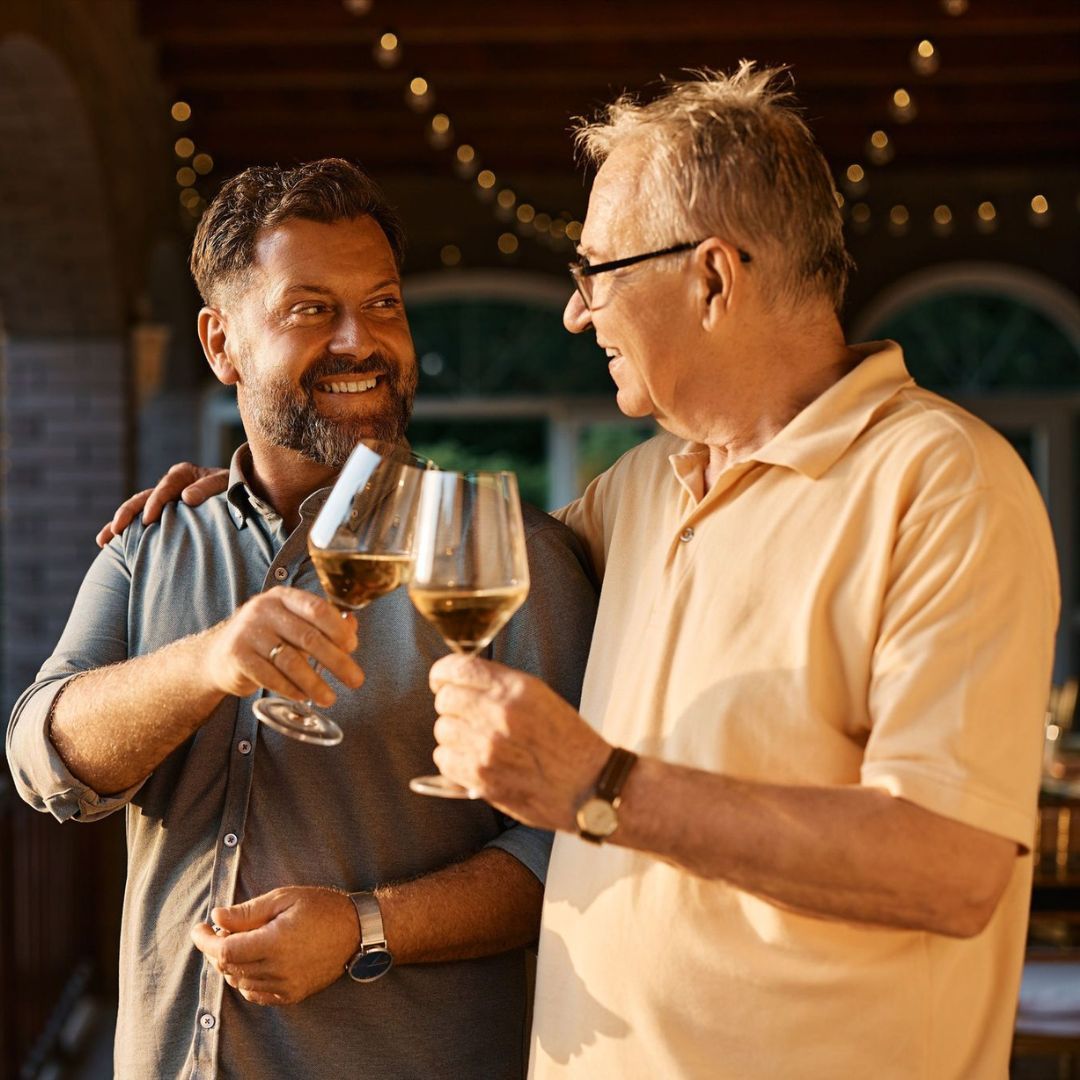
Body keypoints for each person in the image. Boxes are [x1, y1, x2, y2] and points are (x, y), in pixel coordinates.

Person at [102, 67, 1061, 1078]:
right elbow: (446, 540)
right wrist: (266, 481)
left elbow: (951, 872)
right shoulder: (643, 487)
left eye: (596, 270)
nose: (576, 312)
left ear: (713, 278)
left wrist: (602, 790)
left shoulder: (946, 483)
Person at [7, 159, 597, 1080]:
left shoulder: (503, 551)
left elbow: (578, 839)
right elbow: (43, 759)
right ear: (220, 344)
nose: (362, 340)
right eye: (312, 309)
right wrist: (205, 663)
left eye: (385, 304)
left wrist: (367, 926)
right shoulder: (152, 545)